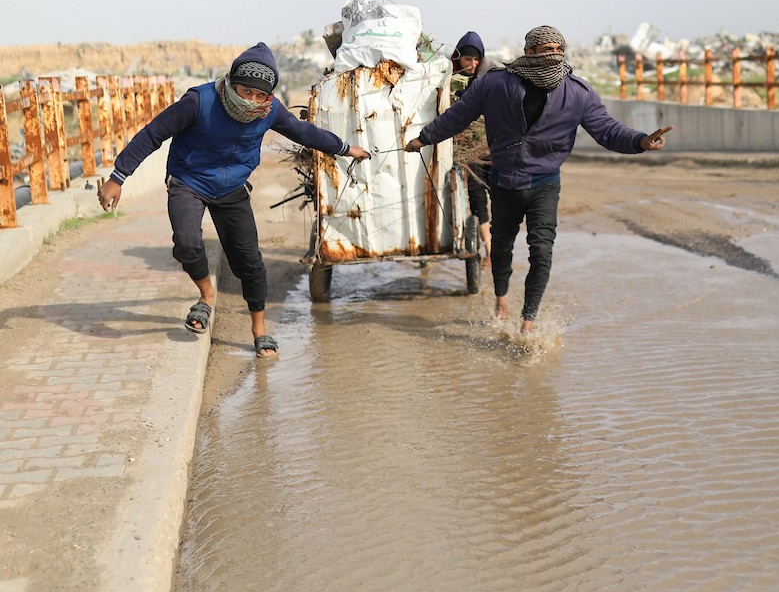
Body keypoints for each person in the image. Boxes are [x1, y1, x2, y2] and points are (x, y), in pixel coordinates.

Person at [97, 43, 371, 358]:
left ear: (269, 96)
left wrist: (345, 148)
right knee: (186, 244)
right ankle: (206, 296)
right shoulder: (199, 101)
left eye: (260, 95)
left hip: (232, 188)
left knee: (249, 261)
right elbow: (152, 134)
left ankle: (259, 329)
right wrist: (118, 176)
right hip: (189, 180)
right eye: (245, 91)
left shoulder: (271, 111)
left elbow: (304, 133)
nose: (251, 100)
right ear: (231, 83)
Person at [405, 25, 672, 334]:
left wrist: (640, 141)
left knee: (541, 252)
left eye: (559, 50)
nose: (554, 55)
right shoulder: (495, 84)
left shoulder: (577, 92)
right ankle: (501, 299)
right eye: (547, 50)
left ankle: (527, 322)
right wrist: (424, 138)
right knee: (501, 247)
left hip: (545, 183)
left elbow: (607, 130)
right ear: (528, 52)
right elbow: (458, 116)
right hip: (504, 180)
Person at [450, 31, 500, 264]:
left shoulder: (493, 76)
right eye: (467, 59)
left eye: (476, 59)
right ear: (458, 58)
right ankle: (488, 247)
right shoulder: (448, 77)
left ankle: (498, 245)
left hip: (494, 145)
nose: (472, 64)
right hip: (468, 148)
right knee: (477, 195)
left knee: (499, 193)